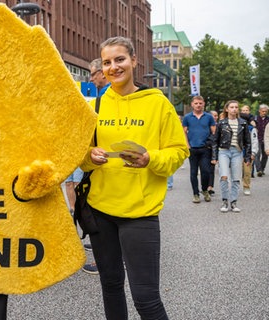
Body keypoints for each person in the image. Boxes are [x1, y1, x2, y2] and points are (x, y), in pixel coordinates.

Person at [80, 36, 188, 320]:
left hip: (140, 212)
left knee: (146, 298)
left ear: (134, 61)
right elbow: (79, 156)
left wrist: (150, 158)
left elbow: (179, 151)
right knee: (111, 286)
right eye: (107, 62)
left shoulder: (157, 103)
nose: (113, 67)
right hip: (100, 210)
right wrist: (89, 157)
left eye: (120, 60)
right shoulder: (96, 105)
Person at [79, 57, 112, 276]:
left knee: (105, 212)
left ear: (103, 73)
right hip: (101, 159)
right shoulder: (101, 96)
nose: (91, 78)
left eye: (93, 74)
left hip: (106, 161)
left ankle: (106, 260)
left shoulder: (108, 95)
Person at [211, 100, 251, 212]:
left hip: (237, 152)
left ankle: (233, 202)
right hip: (223, 151)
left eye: (236, 107)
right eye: (232, 107)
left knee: (236, 178)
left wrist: (247, 157)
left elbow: (248, 141)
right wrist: (214, 157)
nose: (234, 109)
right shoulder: (221, 123)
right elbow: (215, 141)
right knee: (224, 176)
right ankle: (224, 201)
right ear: (227, 109)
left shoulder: (243, 123)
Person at [182, 95, 216, 203]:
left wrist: (211, 143)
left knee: (206, 171)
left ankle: (205, 190)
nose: (198, 105)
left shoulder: (209, 117)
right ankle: (195, 194)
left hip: (205, 148)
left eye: (200, 103)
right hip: (193, 148)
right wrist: (187, 145)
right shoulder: (187, 117)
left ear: (204, 104)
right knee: (193, 172)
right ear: (192, 104)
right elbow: (183, 133)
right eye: (196, 103)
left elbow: (214, 132)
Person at [240, 106, 258, 195]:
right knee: (237, 170)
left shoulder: (252, 127)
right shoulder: (237, 124)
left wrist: (253, 152)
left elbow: (255, 141)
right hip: (238, 151)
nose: (244, 112)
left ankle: (246, 186)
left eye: (246, 110)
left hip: (248, 151)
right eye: (243, 111)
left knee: (247, 171)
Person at [207, 110, 219, 194]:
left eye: (216, 115)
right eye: (213, 115)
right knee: (205, 169)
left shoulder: (219, 126)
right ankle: (205, 186)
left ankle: (210, 187)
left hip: (215, 150)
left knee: (212, 169)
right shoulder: (205, 126)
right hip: (205, 148)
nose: (215, 117)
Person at [255, 104, 269, 176]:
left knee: (265, 155)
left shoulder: (268, 119)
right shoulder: (255, 119)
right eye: (263, 111)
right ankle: (259, 170)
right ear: (259, 111)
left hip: (266, 139)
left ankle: (262, 169)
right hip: (257, 139)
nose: (264, 113)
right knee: (257, 154)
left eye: (266, 111)